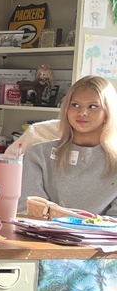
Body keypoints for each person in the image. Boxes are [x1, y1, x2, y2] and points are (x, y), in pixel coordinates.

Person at [20, 75, 117, 217]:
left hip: (99, 239)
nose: (82, 113)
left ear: (108, 112)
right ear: (66, 109)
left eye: (93, 106)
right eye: (75, 105)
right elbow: (27, 210)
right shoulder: (38, 154)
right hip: (41, 236)